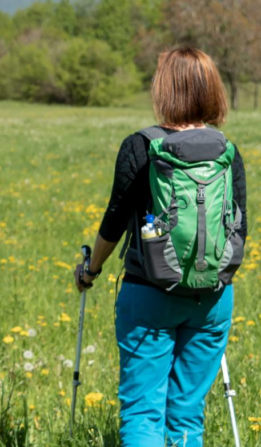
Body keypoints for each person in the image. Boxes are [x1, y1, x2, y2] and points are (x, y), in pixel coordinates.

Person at [74, 46, 246, 447]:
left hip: (149, 292)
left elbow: (115, 221)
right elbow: (240, 228)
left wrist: (90, 270)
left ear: (164, 89)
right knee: (187, 413)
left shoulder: (141, 146)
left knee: (143, 412)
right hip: (212, 297)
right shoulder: (227, 151)